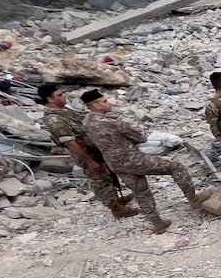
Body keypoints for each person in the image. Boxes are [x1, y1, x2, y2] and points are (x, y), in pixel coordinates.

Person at [81, 90, 206, 234]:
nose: (108, 103)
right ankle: (193, 199)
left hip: (115, 164)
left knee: (140, 191)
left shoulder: (86, 122)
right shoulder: (112, 123)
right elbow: (140, 137)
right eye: (104, 101)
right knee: (176, 167)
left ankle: (157, 223)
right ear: (95, 105)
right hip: (134, 160)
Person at [35, 82, 137, 220]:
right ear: (50, 99)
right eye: (60, 95)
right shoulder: (54, 119)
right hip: (87, 154)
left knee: (108, 175)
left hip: (95, 149)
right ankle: (116, 208)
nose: (64, 96)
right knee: (100, 180)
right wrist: (90, 161)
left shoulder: (64, 111)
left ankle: (117, 200)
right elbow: (70, 143)